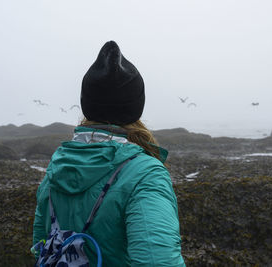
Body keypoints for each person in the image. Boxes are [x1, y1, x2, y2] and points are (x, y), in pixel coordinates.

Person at [33, 41, 186, 266]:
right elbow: (158, 261)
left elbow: (40, 247)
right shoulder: (145, 174)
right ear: (135, 108)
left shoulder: (55, 171)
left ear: (87, 104)